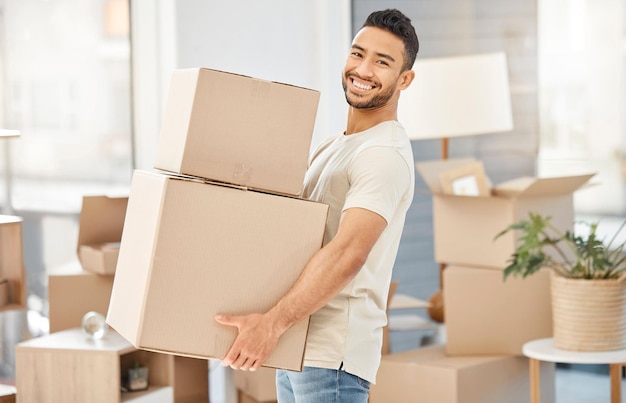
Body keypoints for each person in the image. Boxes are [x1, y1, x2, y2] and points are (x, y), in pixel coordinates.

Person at [215, 8, 419, 402]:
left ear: (405, 79)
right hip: (299, 345)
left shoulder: (383, 155)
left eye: (382, 62)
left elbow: (348, 254)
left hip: (331, 356)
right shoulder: (336, 145)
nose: (363, 69)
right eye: (358, 54)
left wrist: (272, 325)